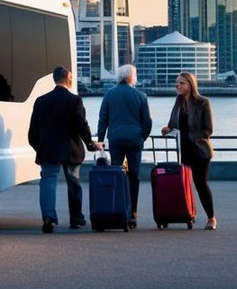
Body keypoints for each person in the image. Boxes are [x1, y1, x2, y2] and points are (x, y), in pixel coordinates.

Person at [28, 66, 104, 233]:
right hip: (71, 149)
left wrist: (39, 146)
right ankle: (76, 219)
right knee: (73, 182)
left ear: (54, 79)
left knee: (48, 182)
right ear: (69, 79)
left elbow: (33, 131)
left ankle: (49, 218)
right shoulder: (74, 100)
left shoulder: (41, 101)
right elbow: (81, 125)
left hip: (48, 149)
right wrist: (91, 144)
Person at [96, 64, 152, 228]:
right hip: (135, 140)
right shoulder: (141, 95)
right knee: (133, 175)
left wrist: (101, 140)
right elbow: (147, 122)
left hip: (116, 140)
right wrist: (142, 136)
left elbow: (103, 119)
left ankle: (117, 208)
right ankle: (133, 212)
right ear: (131, 77)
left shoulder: (109, 94)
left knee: (116, 173)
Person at [161, 71, 217, 230]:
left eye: (181, 83)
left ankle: (211, 218)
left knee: (200, 184)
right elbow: (174, 123)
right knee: (184, 184)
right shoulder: (178, 102)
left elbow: (208, 129)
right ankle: (187, 213)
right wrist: (168, 128)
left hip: (200, 150)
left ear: (190, 85)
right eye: (176, 83)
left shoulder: (203, 102)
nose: (177, 86)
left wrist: (194, 138)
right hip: (184, 150)